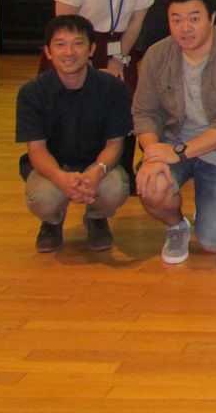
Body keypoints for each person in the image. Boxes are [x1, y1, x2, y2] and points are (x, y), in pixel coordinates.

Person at [133, 0, 216, 264]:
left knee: (212, 243)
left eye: (194, 18)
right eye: (176, 20)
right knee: (152, 186)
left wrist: (178, 152)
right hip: (172, 141)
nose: (185, 28)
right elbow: (144, 112)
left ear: (212, 18)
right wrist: (153, 154)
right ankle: (176, 225)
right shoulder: (157, 54)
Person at [51, 0, 154, 181]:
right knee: (72, 104)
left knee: (126, 103)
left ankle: (122, 173)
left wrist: (119, 59)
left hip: (119, 45)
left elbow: (136, 21)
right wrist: (80, 58)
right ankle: (67, 166)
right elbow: (65, 22)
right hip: (77, 43)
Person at [16, 15, 131, 253]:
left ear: (92, 49)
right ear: (48, 52)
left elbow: (115, 144)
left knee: (115, 189)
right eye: (60, 44)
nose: (69, 52)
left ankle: (97, 218)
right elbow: (37, 150)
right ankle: (51, 222)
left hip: (98, 164)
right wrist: (59, 177)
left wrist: (96, 172)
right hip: (53, 166)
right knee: (43, 198)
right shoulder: (32, 93)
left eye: (78, 43)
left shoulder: (113, 88)